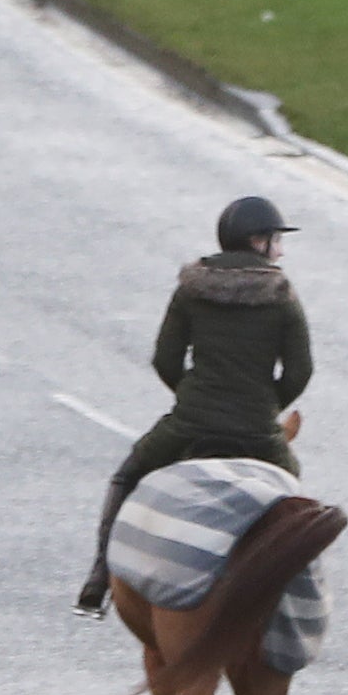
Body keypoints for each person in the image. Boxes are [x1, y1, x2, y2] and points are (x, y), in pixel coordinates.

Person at [75, 197, 313, 617]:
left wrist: (193, 398)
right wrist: (262, 408)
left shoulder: (191, 289)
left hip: (190, 424)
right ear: (258, 241)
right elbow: (300, 372)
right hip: (257, 432)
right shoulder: (282, 296)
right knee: (295, 499)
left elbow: (165, 360)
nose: (281, 251)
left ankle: (97, 581)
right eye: (277, 240)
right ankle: (296, 610)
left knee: (128, 476)